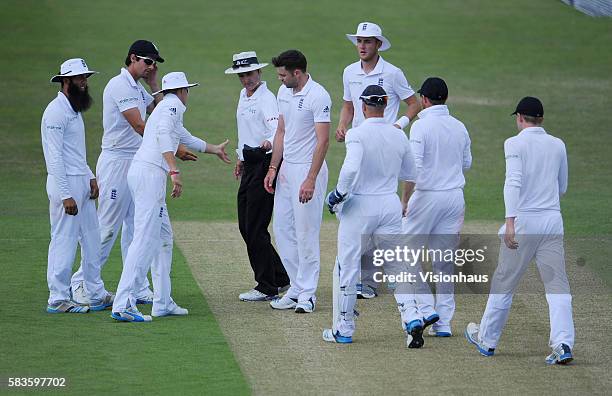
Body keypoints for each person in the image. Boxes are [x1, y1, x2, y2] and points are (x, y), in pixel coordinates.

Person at [70, 40, 196, 304]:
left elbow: (162, 112)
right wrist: (175, 148)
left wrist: (154, 84)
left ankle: (137, 287)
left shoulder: (139, 89)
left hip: (136, 161)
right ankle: (82, 283)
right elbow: (141, 125)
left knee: (135, 228)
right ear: (132, 58)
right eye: (148, 62)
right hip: (116, 162)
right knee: (107, 228)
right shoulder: (119, 85)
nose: (151, 67)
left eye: (154, 63)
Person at [111, 72, 231, 322]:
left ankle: (162, 301)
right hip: (149, 176)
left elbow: (184, 137)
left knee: (163, 236)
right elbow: (164, 135)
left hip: (145, 173)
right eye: (187, 90)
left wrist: (214, 149)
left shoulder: (166, 107)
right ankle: (123, 303)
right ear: (182, 91)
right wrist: (174, 169)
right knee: (144, 239)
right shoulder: (174, 105)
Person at [465, 97, 574, 365]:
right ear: (541, 119)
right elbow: (562, 188)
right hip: (552, 222)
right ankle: (563, 343)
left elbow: (512, 182)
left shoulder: (514, 143)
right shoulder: (558, 144)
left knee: (504, 282)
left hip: (525, 223)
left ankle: (487, 340)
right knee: (558, 286)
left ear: (520, 118)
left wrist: (511, 222)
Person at [321, 85, 424, 346]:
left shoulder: (356, 134)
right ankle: (412, 316)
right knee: (396, 265)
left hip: (360, 207)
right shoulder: (398, 135)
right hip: (389, 205)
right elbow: (411, 174)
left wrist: (337, 196)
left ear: (363, 107)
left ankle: (343, 329)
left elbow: (350, 169)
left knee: (347, 266)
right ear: (387, 105)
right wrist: (402, 201)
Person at [337, 21, 421, 299]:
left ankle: (369, 281)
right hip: (359, 145)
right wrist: (342, 125)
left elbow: (414, 103)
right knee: (357, 208)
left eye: (368, 42)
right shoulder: (349, 71)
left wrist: (398, 125)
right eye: (359, 41)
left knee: (374, 206)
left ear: (378, 45)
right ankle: (361, 277)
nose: (362, 46)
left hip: (383, 144)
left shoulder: (393, 73)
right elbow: (349, 104)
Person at [401, 77, 472, 337]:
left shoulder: (420, 127)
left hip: (427, 197)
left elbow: (413, 169)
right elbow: (466, 164)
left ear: (424, 100)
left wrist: (405, 200)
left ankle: (426, 307)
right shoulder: (459, 126)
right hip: (454, 198)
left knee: (405, 254)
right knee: (444, 263)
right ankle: (443, 324)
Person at [42, 58, 114, 313]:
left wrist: (90, 176)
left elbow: (75, 152)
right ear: (65, 81)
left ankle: (95, 292)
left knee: (93, 239)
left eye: (85, 78)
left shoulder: (73, 109)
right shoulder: (55, 112)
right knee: (64, 239)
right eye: (79, 78)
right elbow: (55, 157)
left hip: (80, 182)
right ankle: (58, 298)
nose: (84, 82)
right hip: (66, 185)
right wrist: (65, 194)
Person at [263, 50, 331, 313]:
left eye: (283, 75)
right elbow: (281, 131)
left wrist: (310, 178)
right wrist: (273, 167)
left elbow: (323, 140)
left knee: (306, 233)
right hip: (286, 170)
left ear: (297, 73)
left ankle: (308, 295)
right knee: (282, 230)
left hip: (307, 169)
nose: (280, 80)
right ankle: (296, 287)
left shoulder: (318, 95)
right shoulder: (283, 93)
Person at [224, 51, 289, 301]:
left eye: (249, 74)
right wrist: (240, 157)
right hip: (249, 163)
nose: (246, 79)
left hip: (264, 163)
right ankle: (280, 278)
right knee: (246, 226)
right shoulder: (243, 95)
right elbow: (244, 131)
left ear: (259, 73)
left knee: (255, 227)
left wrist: (267, 143)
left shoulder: (267, 98)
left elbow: (276, 130)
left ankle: (267, 286)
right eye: (242, 75)